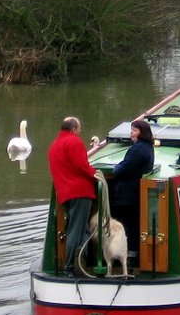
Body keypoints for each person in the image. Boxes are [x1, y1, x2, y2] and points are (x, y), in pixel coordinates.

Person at [47, 116, 100, 276]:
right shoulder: (74, 142)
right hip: (79, 192)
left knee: (81, 228)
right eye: (79, 128)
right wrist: (95, 173)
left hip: (64, 194)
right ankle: (70, 267)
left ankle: (83, 262)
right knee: (76, 231)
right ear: (74, 129)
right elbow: (81, 165)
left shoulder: (54, 146)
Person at [110, 119, 155, 262]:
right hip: (136, 193)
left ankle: (128, 256)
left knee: (125, 225)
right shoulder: (148, 147)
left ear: (142, 133)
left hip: (127, 196)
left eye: (134, 130)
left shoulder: (138, 149)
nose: (131, 133)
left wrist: (117, 168)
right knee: (133, 224)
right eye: (131, 130)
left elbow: (122, 170)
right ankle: (131, 253)